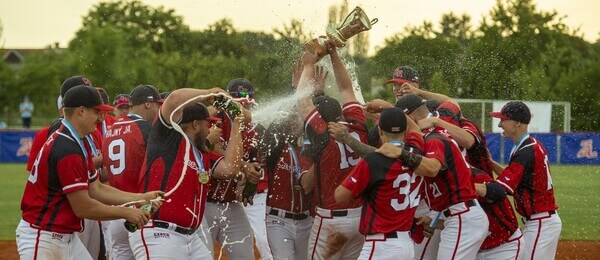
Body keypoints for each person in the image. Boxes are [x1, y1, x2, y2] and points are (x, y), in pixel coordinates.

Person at [16, 85, 162, 259]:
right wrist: (127, 212)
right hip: (42, 237)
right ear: (81, 111)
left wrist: (141, 198)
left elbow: (97, 188)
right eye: (97, 111)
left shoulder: (78, 140)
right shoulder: (67, 147)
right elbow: (83, 207)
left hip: (63, 235)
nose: (102, 117)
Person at [130, 88, 259, 259]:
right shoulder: (167, 138)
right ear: (195, 125)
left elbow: (230, 168)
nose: (210, 129)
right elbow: (173, 98)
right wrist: (210, 93)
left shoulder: (202, 154)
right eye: (208, 124)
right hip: (159, 232)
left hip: (189, 236)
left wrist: (237, 125)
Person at [379, 94, 489, 260]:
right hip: (454, 214)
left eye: (403, 125)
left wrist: (401, 153)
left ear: (411, 119)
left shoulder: (433, 138)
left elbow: (432, 168)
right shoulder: (428, 135)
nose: (401, 131)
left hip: (462, 215)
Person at [297, 45, 368, 260]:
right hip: (360, 216)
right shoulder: (358, 125)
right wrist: (335, 54)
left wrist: (308, 65)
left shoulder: (322, 134)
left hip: (332, 219)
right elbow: (346, 88)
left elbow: (301, 100)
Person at [335, 108, 425, 260]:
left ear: (380, 131)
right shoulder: (415, 153)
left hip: (380, 245)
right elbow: (416, 130)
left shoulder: (374, 160)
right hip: (407, 244)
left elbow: (340, 196)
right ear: (405, 132)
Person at [201, 78, 266, 260]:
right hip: (205, 201)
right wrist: (243, 165)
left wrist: (251, 176)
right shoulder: (216, 117)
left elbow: (251, 164)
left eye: (247, 98)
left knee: (246, 256)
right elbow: (209, 146)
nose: (243, 102)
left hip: (231, 203)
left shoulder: (254, 129)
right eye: (238, 98)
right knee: (201, 256)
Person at [489, 101, 561, 260]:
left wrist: (467, 187)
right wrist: (490, 163)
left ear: (517, 123)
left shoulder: (526, 151)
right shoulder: (528, 145)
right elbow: (515, 178)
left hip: (541, 222)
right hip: (540, 221)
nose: (500, 124)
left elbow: (500, 190)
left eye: (503, 120)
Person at [101, 85, 163, 260]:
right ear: (148, 104)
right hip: (140, 208)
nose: (159, 109)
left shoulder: (112, 128)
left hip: (116, 209)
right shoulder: (146, 128)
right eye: (157, 104)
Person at [262, 112, 313, 260]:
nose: (294, 123)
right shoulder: (274, 146)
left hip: (307, 220)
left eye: (297, 119)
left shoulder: (310, 147)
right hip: (279, 220)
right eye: (290, 119)